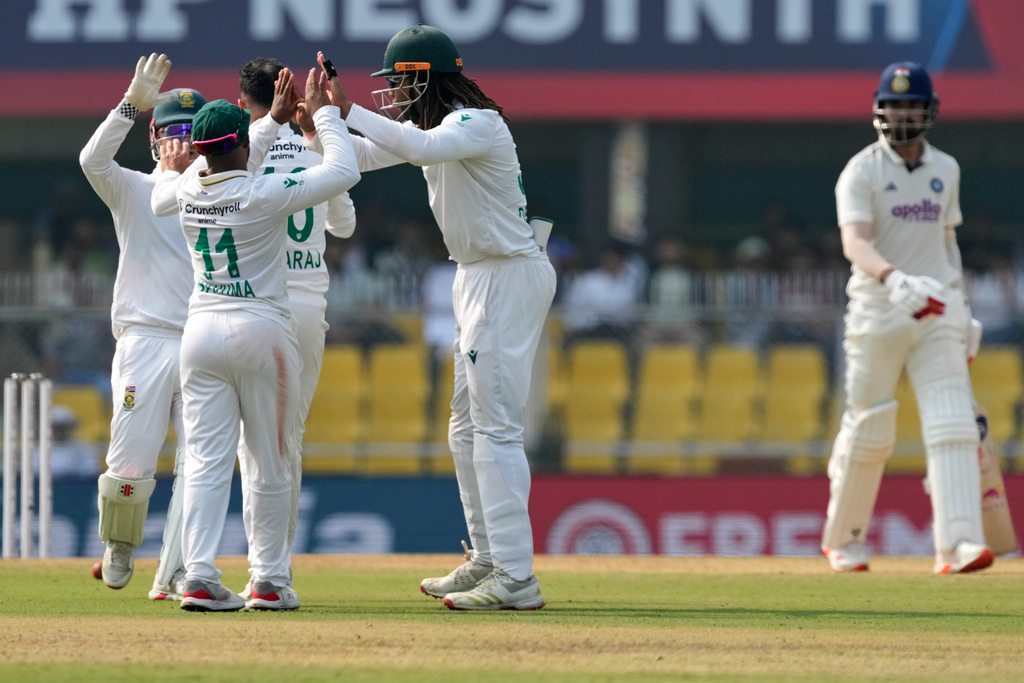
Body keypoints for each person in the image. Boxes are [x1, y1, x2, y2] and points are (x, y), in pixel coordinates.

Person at [310, 25, 554, 610]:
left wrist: (347, 109)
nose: (391, 94)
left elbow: (413, 147)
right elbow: (363, 157)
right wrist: (316, 126)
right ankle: (490, 559)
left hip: (506, 273)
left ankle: (517, 578)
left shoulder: (476, 122)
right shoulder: (436, 129)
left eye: (398, 83)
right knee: (465, 427)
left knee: (495, 428)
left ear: (426, 77)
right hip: (477, 276)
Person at [158, 68, 360, 611]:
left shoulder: (184, 188)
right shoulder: (261, 195)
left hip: (200, 333)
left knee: (203, 460)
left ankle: (197, 575)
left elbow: (221, 160)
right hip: (262, 331)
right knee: (270, 459)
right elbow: (342, 170)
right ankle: (268, 579)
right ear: (242, 144)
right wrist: (321, 116)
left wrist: (268, 122)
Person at [821, 62, 993, 575]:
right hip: (879, 308)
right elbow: (855, 242)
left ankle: (959, 544)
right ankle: (845, 540)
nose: (902, 113)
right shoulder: (861, 170)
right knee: (871, 423)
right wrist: (895, 280)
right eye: (894, 105)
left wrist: (962, 306)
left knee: (952, 421)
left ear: (929, 109)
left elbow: (946, 240)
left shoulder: (947, 169)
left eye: (911, 104)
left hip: (937, 308)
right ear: (879, 110)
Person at [78, 52, 207, 600]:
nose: (178, 142)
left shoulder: (220, 191)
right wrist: (132, 104)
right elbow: (91, 161)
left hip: (203, 338)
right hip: (146, 339)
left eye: (188, 131)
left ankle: (180, 568)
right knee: (131, 453)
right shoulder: (131, 188)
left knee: (201, 458)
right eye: (169, 130)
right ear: (154, 137)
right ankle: (121, 543)